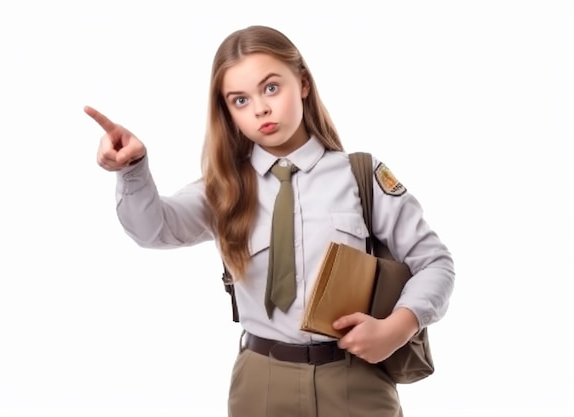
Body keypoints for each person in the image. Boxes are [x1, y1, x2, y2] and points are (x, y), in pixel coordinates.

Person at [84, 25, 454, 417]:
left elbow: (434, 261)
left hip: (355, 377)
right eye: (240, 100)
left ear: (304, 84)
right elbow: (154, 229)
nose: (260, 108)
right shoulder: (225, 188)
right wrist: (133, 171)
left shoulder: (360, 175)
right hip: (261, 381)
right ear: (227, 111)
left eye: (271, 88)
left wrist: (397, 327)